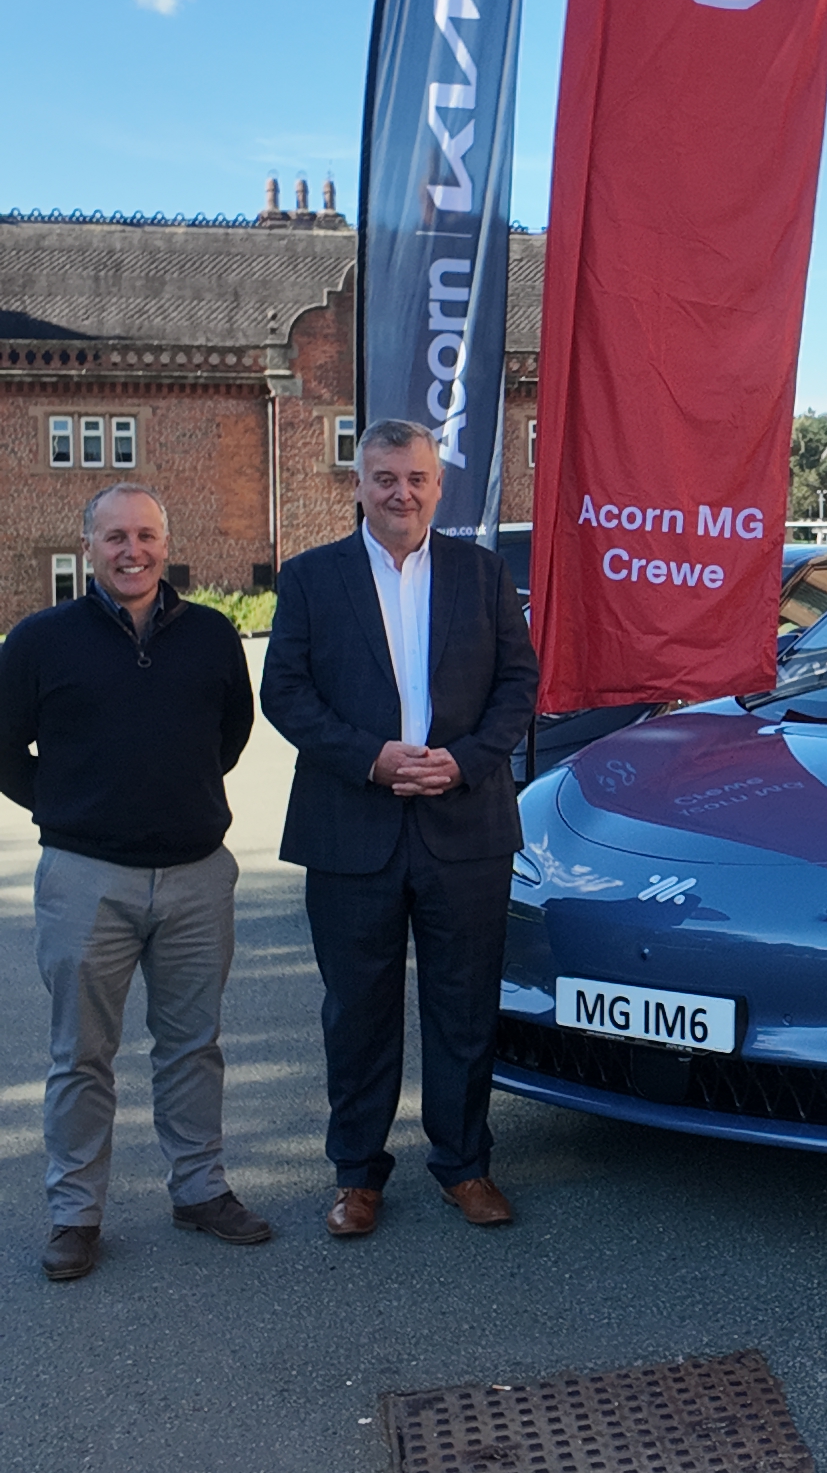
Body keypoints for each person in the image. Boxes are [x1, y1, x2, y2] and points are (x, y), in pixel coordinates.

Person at [261, 418, 538, 1239]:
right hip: (351, 825)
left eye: (416, 478)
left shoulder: (483, 575)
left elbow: (519, 684)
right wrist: (371, 759)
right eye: (384, 478)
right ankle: (357, 1175)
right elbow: (286, 693)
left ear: (438, 487)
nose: (401, 493)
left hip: (467, 823)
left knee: (465, 1007)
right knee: (357, 1012)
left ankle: (464, 1165)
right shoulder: (311, 578)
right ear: (358, 485)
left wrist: (465, 760)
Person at [0, 485, 268, 1280]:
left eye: (146, 535)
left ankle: (200, 1190)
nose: (132, 551)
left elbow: (231, 733)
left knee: (193, 1047)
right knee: (81, 1055)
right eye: (115, 536)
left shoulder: (212, 635)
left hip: (196, 876)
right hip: (86, 879)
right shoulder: (40, 639)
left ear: (165, 544)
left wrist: (173, 800)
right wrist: (73, 808)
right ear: (87, 545)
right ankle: (75, 1213)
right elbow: (4, 749)